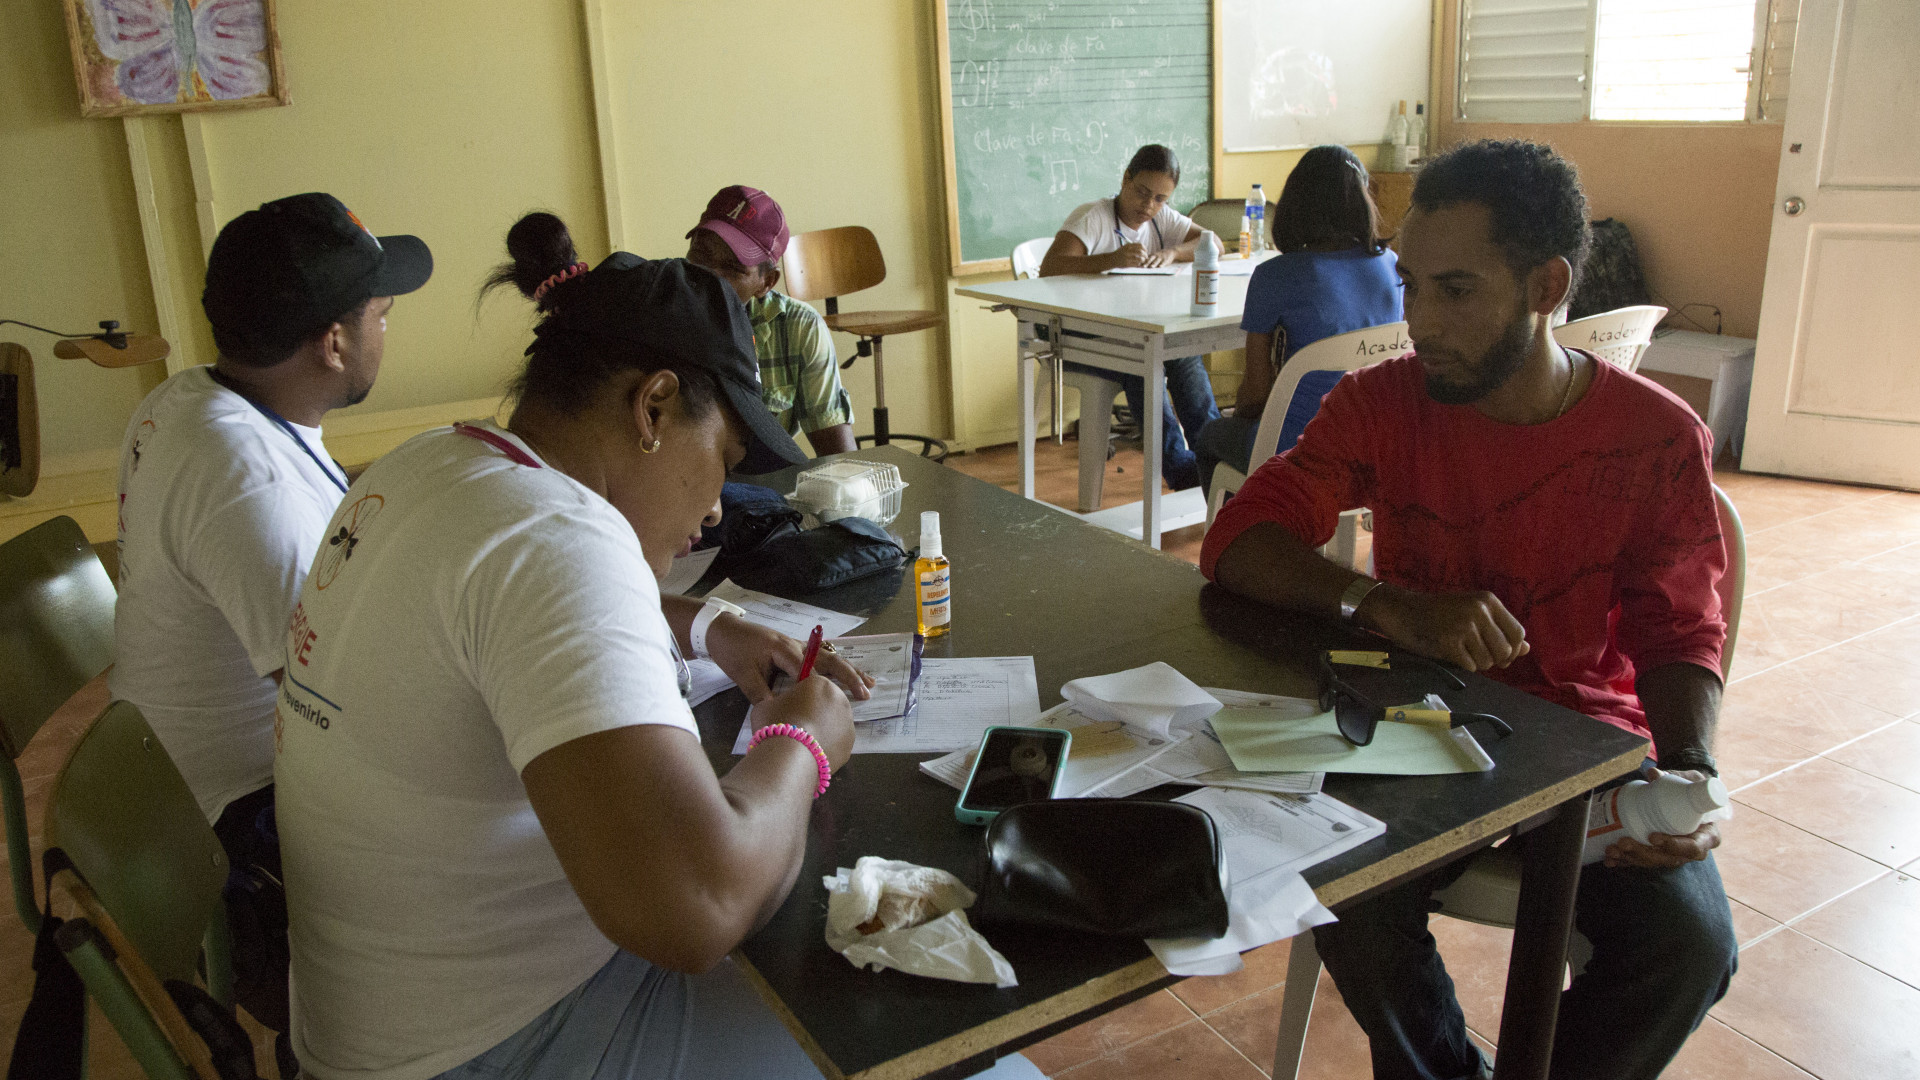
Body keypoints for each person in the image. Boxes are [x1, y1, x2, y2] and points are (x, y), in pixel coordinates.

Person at [274, 213, 1041, 1080]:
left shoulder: (430, 467)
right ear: (654, 406)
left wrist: (710, 625)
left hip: (381, 1014)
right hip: (498, 1045)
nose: (715, 507)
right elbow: (701, 906)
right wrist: (803, 741)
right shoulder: (557, 542)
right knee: (965, 1051)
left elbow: (495, 618)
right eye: (724, 457)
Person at [1201, 141, 1736, 1080]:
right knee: (1347, 892)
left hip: (1586, 744)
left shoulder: (1654, 438)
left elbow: (1680, 631)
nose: (1419, 322)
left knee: (1689, 949)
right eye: (1409, 286)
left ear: (1546, 287)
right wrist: (1384, 604)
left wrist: (1691, 772)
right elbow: (1238, 540)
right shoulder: (1382, 406)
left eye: (1455, 291)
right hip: (1421, 720)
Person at [111, 191, 431, 1072]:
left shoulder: (190, 397)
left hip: (174, 773)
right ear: (334, 343)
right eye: (380, 314)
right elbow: (340, 703)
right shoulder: (245, 478)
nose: (385, 328)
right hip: (234, 822)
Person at [1193, 145, 1404, 496]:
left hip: (1296, 449)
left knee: (1210, 437)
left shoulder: (1275, 276)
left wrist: (1242, 415)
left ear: (1297, 203)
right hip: (1375, 452)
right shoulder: (1392, 266)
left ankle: (1246, 527)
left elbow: (1255, 395)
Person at [1040, 143, 1219, 491]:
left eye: (1160, 199)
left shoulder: (1161, 219)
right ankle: (1181, 469)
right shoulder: (1093, 217)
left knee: (1183, 353)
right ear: (1125, 180)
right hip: (1075, 336)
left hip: (1128, 332)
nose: (1148, 206)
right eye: (1142, 192)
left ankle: (1212, 459)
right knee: (1142, 358)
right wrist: (1111, 260)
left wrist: (1173, 252)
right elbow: (1050, 268)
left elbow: (1212, 244)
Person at [685, 185, 857, 456]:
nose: (709, 277)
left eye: (732, 268)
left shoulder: (798, 327)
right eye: (701, 256)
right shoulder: (658, 313)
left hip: (765, 477)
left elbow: (839, 456)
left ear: (766, 282)